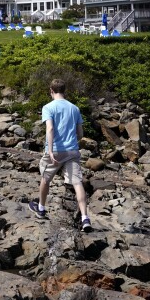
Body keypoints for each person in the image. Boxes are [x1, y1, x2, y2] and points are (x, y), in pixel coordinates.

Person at [28, 78, 92, 233]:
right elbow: (80, 133)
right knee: (77, 183)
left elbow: (49, 129)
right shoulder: (74, 108)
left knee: (45, 179)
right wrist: (72, 144)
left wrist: (50, 150)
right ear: (64, 90)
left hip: (55, 150)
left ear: (51, 90)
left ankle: (41, 209)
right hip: (72, 151)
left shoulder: (48, 107)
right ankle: (85, 218)